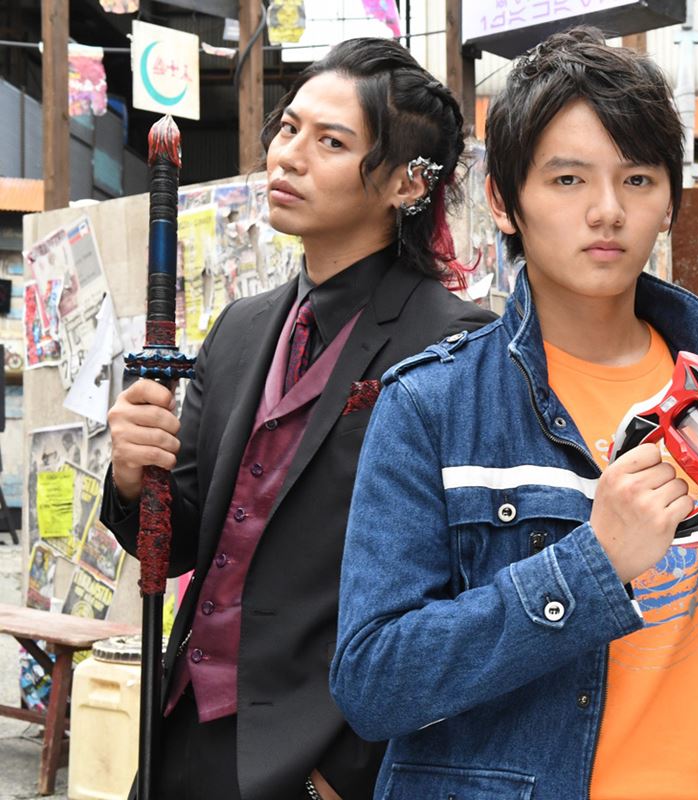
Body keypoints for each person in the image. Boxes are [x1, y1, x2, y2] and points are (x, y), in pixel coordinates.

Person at [332, 28, 698, 800]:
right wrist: (592, 565)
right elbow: (374, 681)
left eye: (637, 179)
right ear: (504, 202)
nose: (608, 211)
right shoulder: (432, 407)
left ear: (669, 201)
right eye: (569, 179)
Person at [100, 38, 493, 800]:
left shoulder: (454, 346)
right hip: (180, 733)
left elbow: (466, 593)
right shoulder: (240, 329)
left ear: (409, 183)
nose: (288, 156)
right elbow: (180, 540)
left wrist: (347, 771)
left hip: (321, 760)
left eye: (331, 142)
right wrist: (132, 475)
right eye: (288, 129)